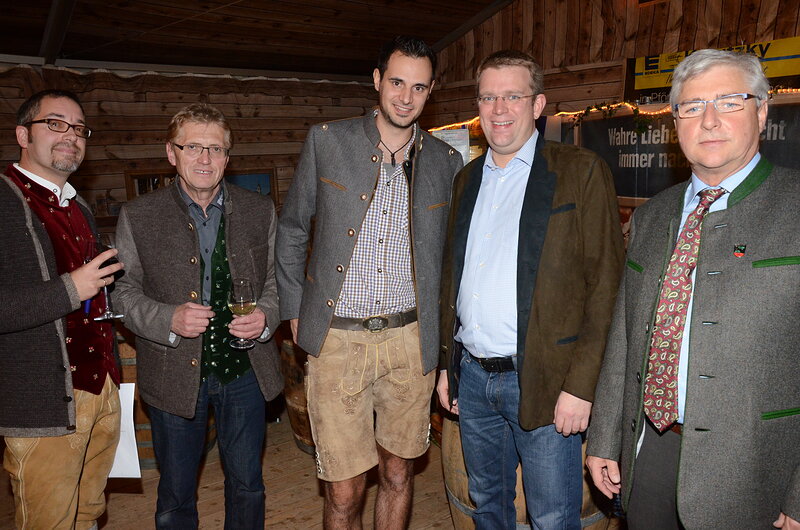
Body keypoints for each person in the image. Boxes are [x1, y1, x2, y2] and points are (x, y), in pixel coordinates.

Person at [586, 48, 800, 529]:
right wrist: (604, 435)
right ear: (675, 122)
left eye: (729, 102)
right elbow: (624, 335)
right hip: (652, 451)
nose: (709, 121)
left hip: (757, 468)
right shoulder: (653, 215)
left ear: (762, 112)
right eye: (691, 106)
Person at [275, 35, 463, 528]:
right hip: (337, 338)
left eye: (419, 87)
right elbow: (293, 228)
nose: (406, 97)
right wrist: (295, 310)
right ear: (377, 80)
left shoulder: (446, 162)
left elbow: (450, 263)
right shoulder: (328, 140)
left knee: (400, 474)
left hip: (410, 341)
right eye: (397, 82)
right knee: (343, 492)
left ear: (431, 92)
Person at [437, 50, 624, 529]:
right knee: (488, 508)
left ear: (538, 105)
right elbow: (452, 279)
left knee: (554, 516)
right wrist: (448, 368)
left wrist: (581, 387)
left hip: (544, 380)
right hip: (474, 380)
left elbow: (606, 287)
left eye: (513, 96)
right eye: (488, 97)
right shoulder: (467, 179)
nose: (499, 109)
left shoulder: (580, 171)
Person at [114, 103, 282, 529]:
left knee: (248, 485)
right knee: (175, 493)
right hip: (173, 373)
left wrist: (266, 316)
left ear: (228, 156)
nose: (205, 159)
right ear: (172, 153)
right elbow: (122, 293)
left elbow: (278, 284)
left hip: (245, 371)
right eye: (193, 147)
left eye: (216, 149)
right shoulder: (138, 215)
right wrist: (167, 318)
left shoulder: (260, 211)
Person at [0, 89, 124, 529]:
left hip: (101, 389)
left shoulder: (78, 206)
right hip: (45, 404)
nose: (70, 135)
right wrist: (71, 289)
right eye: (55, 123)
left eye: (78, 128)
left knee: (89, 514)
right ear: (22, 134)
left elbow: (92, 296)